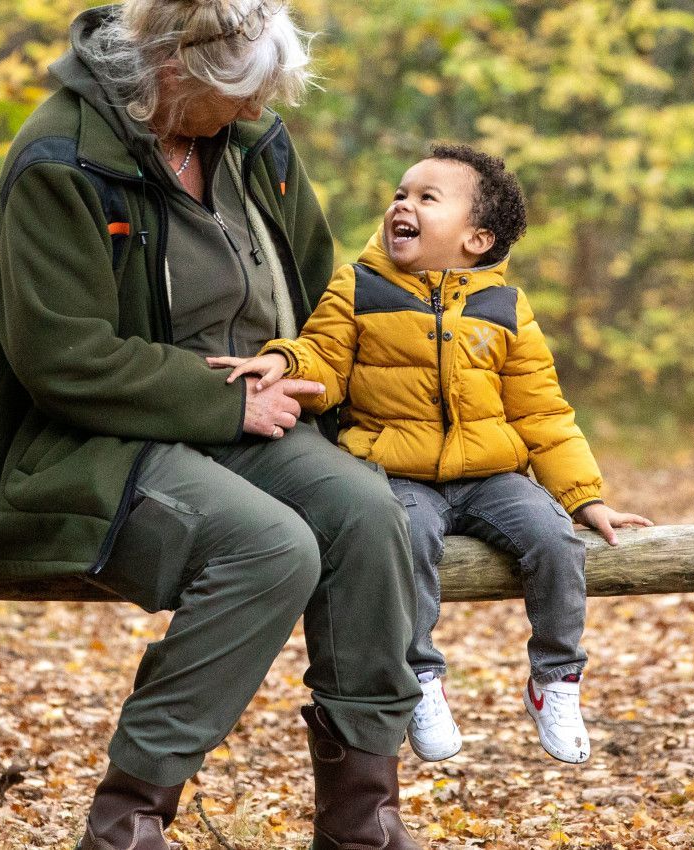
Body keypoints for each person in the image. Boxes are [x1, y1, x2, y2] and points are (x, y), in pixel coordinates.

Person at [0, 2, 425, 848]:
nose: (256, 110)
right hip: (88, 440)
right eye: (241, 93)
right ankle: (129, 819)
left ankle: (364, 818)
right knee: (270, 548)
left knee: (368, 514)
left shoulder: (253, 142)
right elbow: (64, 358)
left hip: (256, 420)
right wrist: (224, 402)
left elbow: (323, 293)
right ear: (174, 72)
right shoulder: (59, 161)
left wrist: (304, 366)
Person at [210, 144, 654, 766]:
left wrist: (586, 499)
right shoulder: (358, 287)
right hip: (398, 470)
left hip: (491, 475)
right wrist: (285, 363)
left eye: (426, 198)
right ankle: (422, 677)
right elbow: (324, 356)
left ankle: (556, 678)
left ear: (477, 238)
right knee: (406, 536)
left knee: (553, 538)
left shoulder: (505, 309)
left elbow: (543, 413)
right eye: (400, 193)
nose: (403, 204)